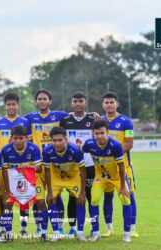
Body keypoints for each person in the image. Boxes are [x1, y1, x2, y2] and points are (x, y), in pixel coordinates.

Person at [24, 89, 68, 236]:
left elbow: (77, 116)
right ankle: (39, 226)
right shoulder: (30, 118)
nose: (42, 101)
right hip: (36, 164)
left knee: (55, 196)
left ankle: (59, 226)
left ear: (50, 101)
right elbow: (13, 119)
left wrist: (92, 115)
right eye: (39, 99)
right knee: (37, 197)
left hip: (54, 163)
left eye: (45, 99)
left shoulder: (59, 116)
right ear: (36, 102)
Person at [81, 120, 132, 242]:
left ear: (107, 132)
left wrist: (123, 186)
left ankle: (127, 233)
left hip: (117, 177)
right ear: (93, 134)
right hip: (101, 177)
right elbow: (80, 152)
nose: (99, 136)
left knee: (125, 199)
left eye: (102, 133)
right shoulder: (89, 144)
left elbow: (121, 166)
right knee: (94, 199)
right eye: (96, 133)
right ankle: (96, 232)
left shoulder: (116, 145)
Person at [0, 92, 32, 237]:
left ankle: (23, 228)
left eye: (14, 104)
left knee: (23, 200)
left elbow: (30, 143)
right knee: (4, 199)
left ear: (18, 105)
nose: (11, 107)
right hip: (4, 167)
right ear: (5, 106)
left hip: (22, 169)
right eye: (8, 104)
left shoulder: (25, 122)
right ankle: (4, 227)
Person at [1, 125, 50, 242]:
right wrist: (8, 190)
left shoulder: (33, 148)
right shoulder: (5, 150)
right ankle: (8, 234)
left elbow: (39, 168)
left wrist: (31, 167)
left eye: (21, 138)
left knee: (41, 202)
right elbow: (4, 171)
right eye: (15, 138)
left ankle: (43, 233)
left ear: (26, 138)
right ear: (11, 138)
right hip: (14, 182)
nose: (18, 141)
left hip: (32, 180)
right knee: (7, 205)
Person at [101, 92, 138, 237]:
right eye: (106, 102)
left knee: (129, 195)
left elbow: (129, 144)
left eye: (111, 102)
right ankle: (109, 228)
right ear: (103, 104)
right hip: (106, 167)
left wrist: (113, 152)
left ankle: (133, 228)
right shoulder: (100, 121)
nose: (109, 105)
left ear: (117, 104)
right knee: (107, 196)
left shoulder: (126, 121)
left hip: (124, 165)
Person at [59, 91, 96, 237]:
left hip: (90, 164)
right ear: (71, 103)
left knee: (91, 197)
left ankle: (94, 227)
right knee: (73, 197)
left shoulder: (93, 119)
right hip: (72, 166)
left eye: (80, 101)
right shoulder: (65, 120)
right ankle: (73, 228)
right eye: (75, 101)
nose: (78, 104)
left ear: (85, 103)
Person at [43, 127, 87, 241]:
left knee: (80, 200)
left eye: (60, 140)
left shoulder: (75, 150)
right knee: (51, 199)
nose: (57, 143)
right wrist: (49, 191)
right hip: (56, 178)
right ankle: (56, 232)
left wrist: (82, 192)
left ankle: (80, 232)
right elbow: (47, 172)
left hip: (72, 177)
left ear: (65, 139)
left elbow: (83, 170)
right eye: (54, 140)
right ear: (50, 140)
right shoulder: (47, 151)